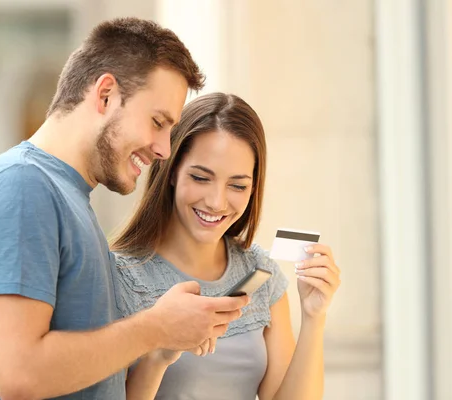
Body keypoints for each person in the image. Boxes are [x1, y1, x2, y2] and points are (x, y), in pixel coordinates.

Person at [0, 18, 248, 400]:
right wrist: (154, 327)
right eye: (157, 121)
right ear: (105, 95)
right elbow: (20, 375)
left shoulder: (67, 199)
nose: (164, 149)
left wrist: (157, 352)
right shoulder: (22, 187)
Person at [110, 92, 342, 400]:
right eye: (201, 178)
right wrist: (158, 352)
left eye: (237, 185)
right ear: (172, 172)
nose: (217, 202)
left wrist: (315, 317)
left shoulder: (261, 275)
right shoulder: (120, 277)